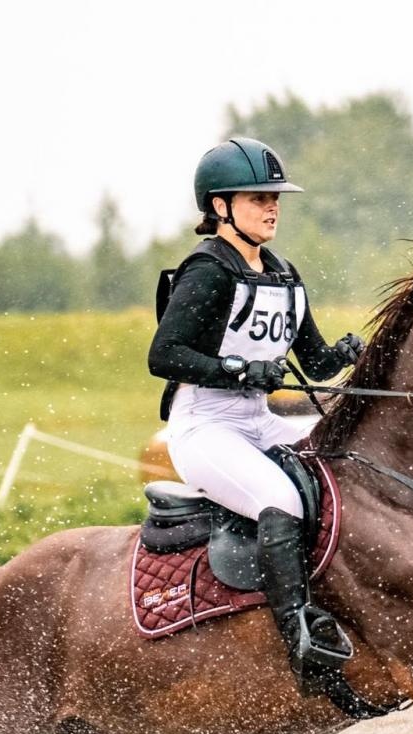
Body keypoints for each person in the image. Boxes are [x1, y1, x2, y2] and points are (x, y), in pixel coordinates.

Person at [148, 136, 363, 691]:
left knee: (345, 459)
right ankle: (297, 633)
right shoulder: (207, 271)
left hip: (258, 419)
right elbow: (164, 355)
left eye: (275, 200)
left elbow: (311, 358)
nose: (272, 209)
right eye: (256, 199)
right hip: (204, 426)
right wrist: (240, 369)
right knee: (281, 497)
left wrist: (343, 356)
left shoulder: (283, 273)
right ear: (220, 207)